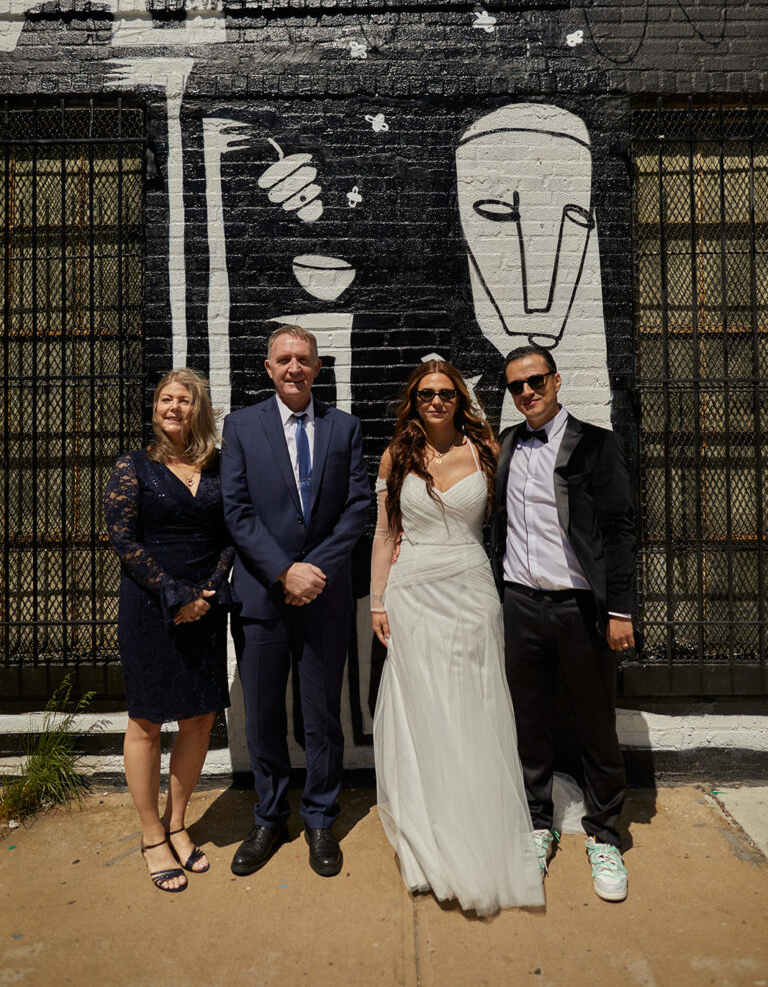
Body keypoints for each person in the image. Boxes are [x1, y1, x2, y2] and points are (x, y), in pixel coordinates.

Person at [370, 361, 544, 916]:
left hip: (471, 587)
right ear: (414, 400)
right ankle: (428, 830)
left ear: (459, 398)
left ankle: (478, 819)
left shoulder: (488, 449)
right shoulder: (397, 456)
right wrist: (377, 600)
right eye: (426, 393)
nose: (436, 401)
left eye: (446, 392)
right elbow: (385, 533)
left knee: (474, 704)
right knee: (422, 707)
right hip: (412, 590)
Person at [221, 325, 370, 878]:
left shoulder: (344, 427)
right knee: (262, 715)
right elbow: (236, 510)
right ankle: (268, 817)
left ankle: (320, 819)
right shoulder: (241, 427)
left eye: (303, 359)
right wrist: (284, 571)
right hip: (262, 597)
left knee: (321, 714)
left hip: (325, 597)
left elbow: (357, 507)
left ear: (317, 367)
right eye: (284, 359)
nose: (294, 368)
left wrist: (313, 572)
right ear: (268, 368)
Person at [491, 345, 636, 902]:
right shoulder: (506, 443)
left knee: (595, 723)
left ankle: (604, 835)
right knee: (529, 722)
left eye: (535, 381)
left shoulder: (597, 443)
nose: (527, 392)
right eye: (516, 386)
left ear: (556, 381)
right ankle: (537, 825)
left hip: (580, 607)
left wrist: (619, 609)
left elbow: (620, 530)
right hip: (520, 603)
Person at [105, 369, 233, 893]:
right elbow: (123, 540)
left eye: (184, 400)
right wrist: (176, 595)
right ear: (156, 408)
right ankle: (151, 833)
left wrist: (209, 591)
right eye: (165, 399)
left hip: (206, 606)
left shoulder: (219, 466)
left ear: (198, 409)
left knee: (200, 718)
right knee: (147, 721)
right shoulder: (133, 465)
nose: (173, 407)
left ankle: (177, 822)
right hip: (151, 607)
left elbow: (231, 535)